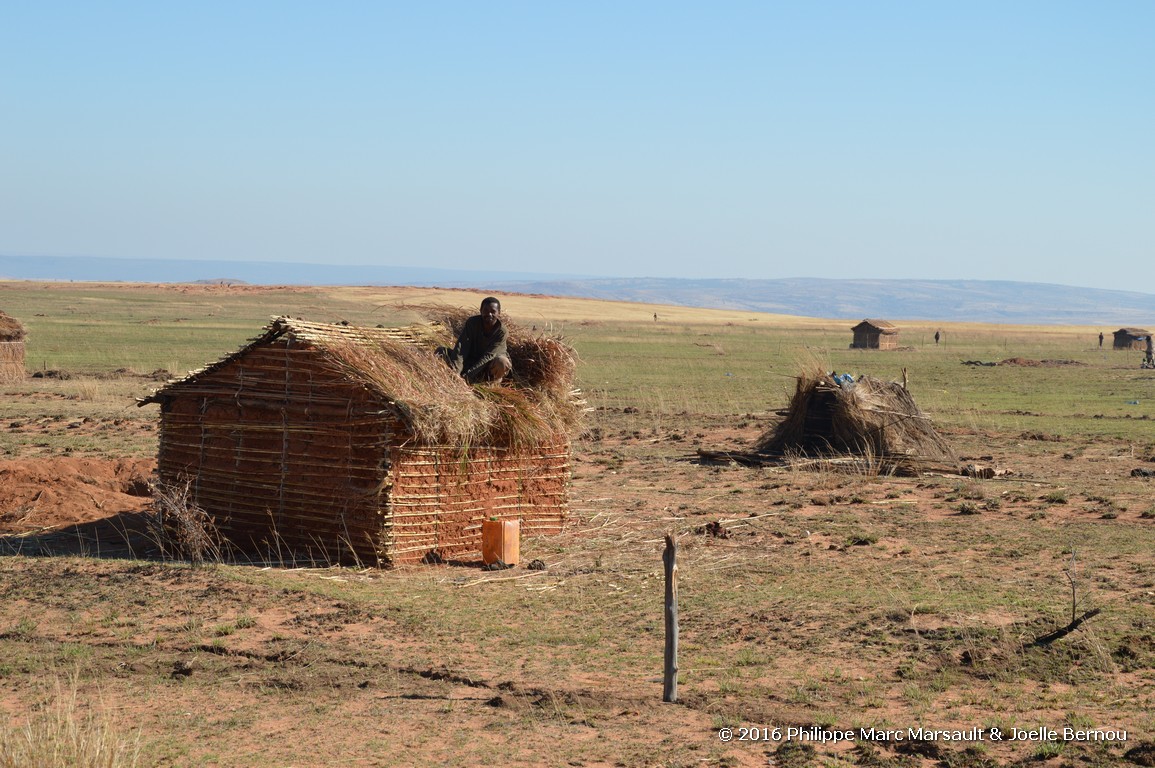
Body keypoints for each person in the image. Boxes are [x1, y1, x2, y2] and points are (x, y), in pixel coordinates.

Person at [438, 297, 513, 384]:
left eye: (493, 311)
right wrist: (456, 372)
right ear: (481, 310)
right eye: (486, 310)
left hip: (489, 365)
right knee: (441, 351)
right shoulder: (472, 323)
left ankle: (493, 382)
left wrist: (466, 377)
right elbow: (461, 348)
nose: (489, 314)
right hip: (472, 360)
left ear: (499, 313)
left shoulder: (502, 331)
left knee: (502, 362)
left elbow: (488, 356)